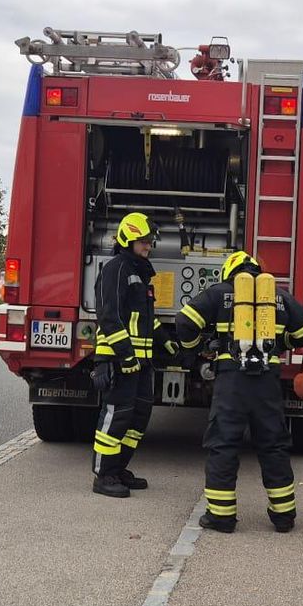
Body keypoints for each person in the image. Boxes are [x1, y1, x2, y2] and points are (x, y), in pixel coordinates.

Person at [175, 251, 303, 533]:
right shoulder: (277, 295)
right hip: (267, 382)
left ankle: (222, 517)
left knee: (223, 444)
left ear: (230, 271)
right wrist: (279, 344)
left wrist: (197, 350)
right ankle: (284, 516)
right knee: (273, 445)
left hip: (232, 381)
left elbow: (184, 322)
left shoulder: (219, 293)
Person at [91, 212, 179, 498]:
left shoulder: (139, 272)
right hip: (121, 360)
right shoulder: (116, 268)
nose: (148, 246)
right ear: (128, 239)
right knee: (116, 416)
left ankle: (118, 468)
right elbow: (109, 316)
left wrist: (164, 340)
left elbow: (145, 319)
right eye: (143, 241)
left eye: (149, 241)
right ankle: (103, 476)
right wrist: (124, 356)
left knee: (139, 416)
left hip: (141, 363)